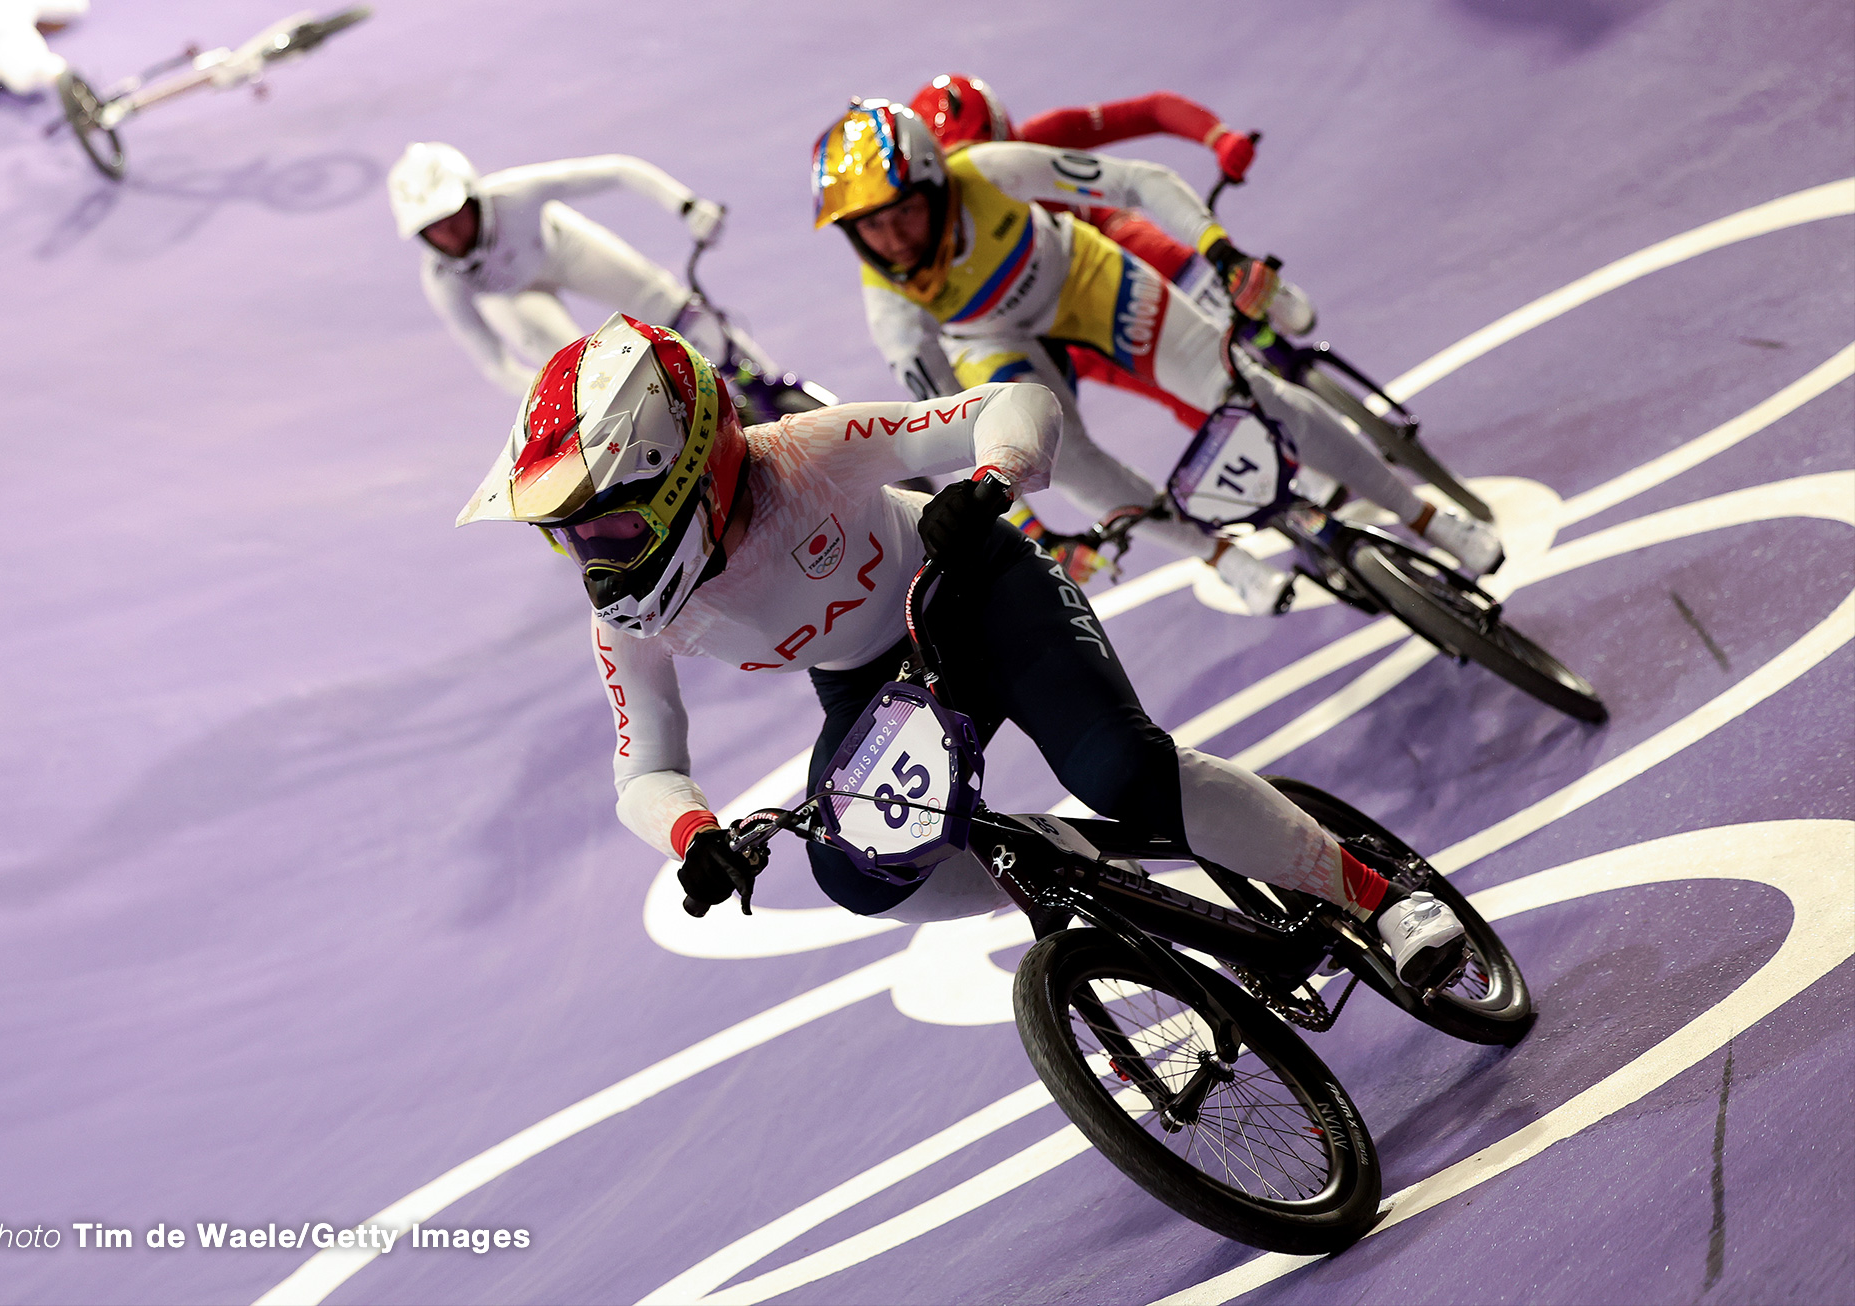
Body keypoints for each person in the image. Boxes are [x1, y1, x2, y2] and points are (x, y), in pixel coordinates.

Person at [455, 311, 1467, 985]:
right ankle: (1064, 866)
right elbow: (645, 767)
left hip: (979, 587)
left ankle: (1381, 900)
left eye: (607, 527)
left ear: (680, 479)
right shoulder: (627, 614)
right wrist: (693, 835)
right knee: (853, 873)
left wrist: (991, 482)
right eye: (569, 534)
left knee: (1120, 767)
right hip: (877, 677)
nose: (592, 559)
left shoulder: (806, 454)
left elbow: (1008, 409)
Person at [812, 100, 1502, 616]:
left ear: (936, 183)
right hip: (994, 342)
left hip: (1080, 280)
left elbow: (1136, 181)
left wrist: (1221, 253)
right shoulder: (893, 316)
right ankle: (1223, 557)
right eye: (869, 225)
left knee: (1255, 396)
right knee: (1064, 462)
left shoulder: (987, 170)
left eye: (901, 211)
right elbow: (954, 427)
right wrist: (1033, 526)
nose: (892, 237)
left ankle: (1428, 519)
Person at [910, 74, 1307, 433]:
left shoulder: (1040, 141)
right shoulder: (927, 241)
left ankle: (1251, 294)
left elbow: (1151, 110)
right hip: (1063, 310)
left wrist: (1218, 136)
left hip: (1112, 243)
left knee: (1142, 245)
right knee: (1181, 392)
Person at [388, 142, 772, 398]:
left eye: (451, 214)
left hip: (564, 249)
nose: (446, 233)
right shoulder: (442, 281)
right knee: (585, 378)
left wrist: (687, 206)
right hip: (517, 298)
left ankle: (771, 383)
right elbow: (495, 364)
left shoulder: (515, 194)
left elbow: (618, 170)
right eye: (430, 227)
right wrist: (551, 401)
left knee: (675, 310)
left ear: (473, 196)